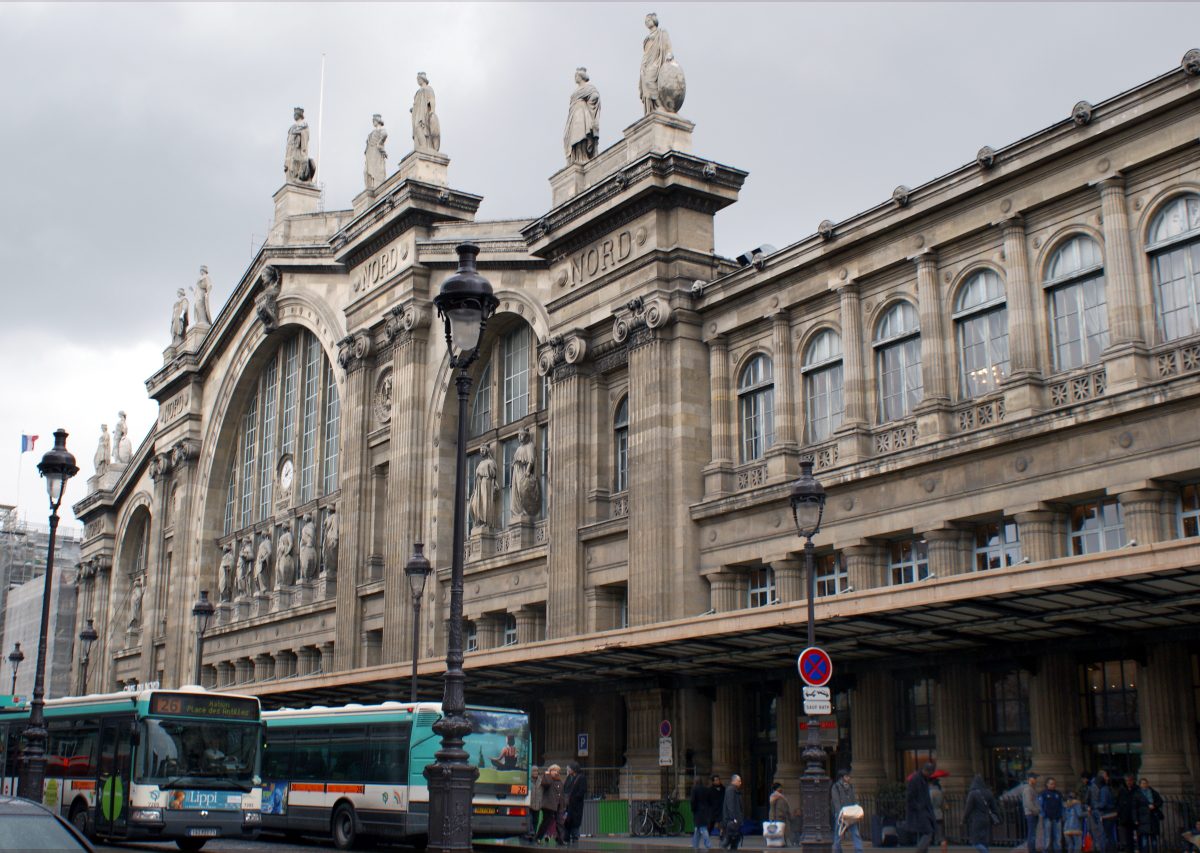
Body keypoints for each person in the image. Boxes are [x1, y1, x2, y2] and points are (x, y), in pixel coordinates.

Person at [638, 12, 674, 114]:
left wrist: (669, 55)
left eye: (649, 20)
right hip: (647, 63)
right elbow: (646, 53)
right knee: (645, 84)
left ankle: (660, 105)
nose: (647, 22)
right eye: (646, 21)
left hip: (657, 62)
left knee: (649, 81)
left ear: (654, 20)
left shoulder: (661, 33)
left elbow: (668, 46)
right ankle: (651, 111)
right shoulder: (647, 38)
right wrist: (642, 66)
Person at [564, 67, 601, 165]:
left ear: (581, 76)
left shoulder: (589, 88)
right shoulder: (575, 92)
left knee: (581, 135)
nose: (575, 78)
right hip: (573, 116)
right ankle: (577, 157)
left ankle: (583, 157)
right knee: (569, 137)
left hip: (581, 113)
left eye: (576, 76)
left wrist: (588, 104)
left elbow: (595, 96)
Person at [962, 775, 1001, 853]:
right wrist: (999, 818)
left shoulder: (972, 793)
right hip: (986, 819)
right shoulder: (989, 792)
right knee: (985, 841)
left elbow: (968, 809)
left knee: (976, 842)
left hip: (976, 820)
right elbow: (994, 808)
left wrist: (964, 819)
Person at [1003, 770, 1040, 853]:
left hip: (1031, 813)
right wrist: (1036, 810)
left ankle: (1032, 849)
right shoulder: (1028, 789)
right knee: (1032, 834)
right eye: (1035, 778)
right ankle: (1031, 850)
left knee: (1032, 833)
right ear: (1030, 779)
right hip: (1031, 814)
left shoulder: (1030, 788)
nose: (1036, 779)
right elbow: (1028, 803)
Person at [906, 762, 937, 853]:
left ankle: (922, 851)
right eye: (930, 773)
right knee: (928, 832)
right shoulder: (916, 779)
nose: (931, 775)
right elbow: (909, 797)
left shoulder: (923, 779)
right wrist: (918, 806)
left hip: (923, 810)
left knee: (928, 832)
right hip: (920, 811)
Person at [832, 768, 864, 853]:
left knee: (855, 833)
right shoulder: (836, 787)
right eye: (847, 776)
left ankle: (859, 850)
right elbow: (836, 801)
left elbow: (854, 799)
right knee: (838, 834)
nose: (849, 778)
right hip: (841, 814)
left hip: (851, 814)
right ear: (842, 777)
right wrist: (840, 813)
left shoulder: (851, 787)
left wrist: (856, 809)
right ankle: (837, 850)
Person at [511, 427, 541, 519]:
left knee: (522, 490)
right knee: (515, 492)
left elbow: (531, 460)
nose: (520, 437)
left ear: (526, 436)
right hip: (516, 471)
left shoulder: (530, 445)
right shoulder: (519, 448)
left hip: (523, 470)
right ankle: (518, 512)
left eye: (522, 435)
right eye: (519, 435)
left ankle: (525, 510)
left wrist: (528, 471)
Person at [470, 443, 498, 530]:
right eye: (480, 450)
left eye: (483, 449)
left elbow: (493, 474)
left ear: (487, 450)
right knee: (474, 504)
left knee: (485, 502)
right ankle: (479, 521)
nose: (481, 451)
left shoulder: (491, 462)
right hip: (479, 485)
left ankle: (486, 522)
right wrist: (475, 489)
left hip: (486, 483)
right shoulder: (481, 463)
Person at [411, 72, 441, 152]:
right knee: (417, 128)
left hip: (424, 111)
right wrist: (413, 109)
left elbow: (432, 99)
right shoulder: (418, 92)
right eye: (417, 79)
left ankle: (423, 146)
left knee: (420, 126)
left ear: (423, 79)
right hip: (417, 112)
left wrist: (432, 111)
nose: (418, 81)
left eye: (419, 79)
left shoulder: (428, 88)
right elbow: (416, 103)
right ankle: (421, 146)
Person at [284, 107, 315, 183]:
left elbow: (305, 135)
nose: (294, 115)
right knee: (291, 164)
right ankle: (292, 178)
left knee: (298, 162)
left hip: (299, 148)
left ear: (300, 114)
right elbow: (289, 140)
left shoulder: (304, 125)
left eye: (296, 114)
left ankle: (299, 176)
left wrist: (298, 133)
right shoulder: (292, 127)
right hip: (291, 149)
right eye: (294, 114)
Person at [536, 764, 564, 844]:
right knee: (546, 822)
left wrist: (563, 805)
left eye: (558, 771)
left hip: (558, 805)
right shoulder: (547, 778)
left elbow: (561, 794)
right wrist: (547, 774)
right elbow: (546, 783)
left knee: (559, 823)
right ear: (550, 771)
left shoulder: (559, 781)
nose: (556, 772)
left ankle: (560, 839)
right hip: (548, 805)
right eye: (554, 770)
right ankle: (538, 837)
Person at [1134, 778, 1163, 853]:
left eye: (1145, 783)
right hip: (1143, 819)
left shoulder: (1153, 792)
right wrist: (1135, 819)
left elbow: (1160, 801)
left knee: (1154, 840)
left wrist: (1154, 806)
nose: (1144, 785)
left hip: (1152, 818)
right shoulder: (1137, 794)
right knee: (1144, 840)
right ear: (1140, 785)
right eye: (1142, 783)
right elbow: (1134, 808)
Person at [563, 762, 587, 844]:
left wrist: (573, 798)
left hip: (576, 805)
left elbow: (582, 791)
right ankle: (566, 839)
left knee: (575, 823)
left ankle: (575, 840)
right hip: (568, 805)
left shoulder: (581, 778)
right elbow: (565, 789)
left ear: (573, 769)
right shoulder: (569, 777)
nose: (568, 770)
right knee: (567, 822)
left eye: (569, 768)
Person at [1040, 777, 1065, 853]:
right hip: (1047, 818)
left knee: (1058, 837)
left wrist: (1062, 815)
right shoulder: (1043, 794)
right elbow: (1040, 806)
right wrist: (1044, 815)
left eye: (1054, 784)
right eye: (1051, 784)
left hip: (1057, 818)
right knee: (1047, 837)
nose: (1053, 785)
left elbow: (1062, 805)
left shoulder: (1058, 793)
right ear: (1047, 784)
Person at [364, 114, 388, 190]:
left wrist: (379, 144)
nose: (373, 122)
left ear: (377, 121)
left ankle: (377, 187)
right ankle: (370, 187)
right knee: (366, 172)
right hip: (370, 154)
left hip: (376, 154)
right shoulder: (371, 133)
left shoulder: (382, 130)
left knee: (377, 170)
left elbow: (384, 135)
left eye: (373, 121)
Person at [691, 774, 714, 850]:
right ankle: (695, 844)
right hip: (705, 811)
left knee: (703, 829)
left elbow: (693, 801)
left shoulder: (694, 789)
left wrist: (693, 809)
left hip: (698, 811)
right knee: (697, 829)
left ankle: (708, 844)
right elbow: (710, 801)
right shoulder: (706, 789)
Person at [722, 774, 745, 850]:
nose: (740, 783)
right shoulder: (731, 790)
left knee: (735, 840)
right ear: (734, 781)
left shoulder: (735, 790)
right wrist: (734, 819)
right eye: (739, 781)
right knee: (729, 839)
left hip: (735, 820)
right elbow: (730, 805)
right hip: (731, 821)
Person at [767, 781, 792, 847]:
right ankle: (777, 843)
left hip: (781, 816)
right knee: (778, 830)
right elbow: (772, 807)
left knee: (782, 830)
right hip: (777, 817)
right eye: (780, 788)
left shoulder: (779, 795)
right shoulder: (775, 795)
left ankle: (782, 842)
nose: (781, 789)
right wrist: (772, 818)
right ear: (777, 788)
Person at [1116, 775, 1138, 853]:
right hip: (1126, 817)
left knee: (1138, 836)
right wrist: (1119, 814)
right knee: (1128, 837)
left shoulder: (1137, 790)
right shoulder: (1122, 790)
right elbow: (1119, 803)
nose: (1128, 782)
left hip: (1136, 816)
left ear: (1133, 781)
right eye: (1127, 781)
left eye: (1130, 780)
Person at [930, 771, 948, 853]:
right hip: (939, 812)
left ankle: (934, 841)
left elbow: (929, 803)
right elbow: (944, 804)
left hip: (932, 813)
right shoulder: (940, 792)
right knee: (940, 830)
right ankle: (941, 843)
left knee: (931, 829)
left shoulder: (930, 792)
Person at [708, 775, 726, 841]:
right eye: (716, 780)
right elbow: (708, 800)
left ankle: (721, 834)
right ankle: (707, 835)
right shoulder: (710, 790)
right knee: (711, 824)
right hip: (713, 810)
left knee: (721, 823)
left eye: (718, 780)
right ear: (713, 782)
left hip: (721, 809)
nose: (717, 781)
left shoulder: (723, 789)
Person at [528, 766, 543, 839]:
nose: (535, 772)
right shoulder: (528, 780)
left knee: (536, 820)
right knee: (530, 819)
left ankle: (534, 834)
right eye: (533, 771)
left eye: (536, 771)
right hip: (529, 804)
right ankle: (531, 832)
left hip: (538, 804)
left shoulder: (541, 781)